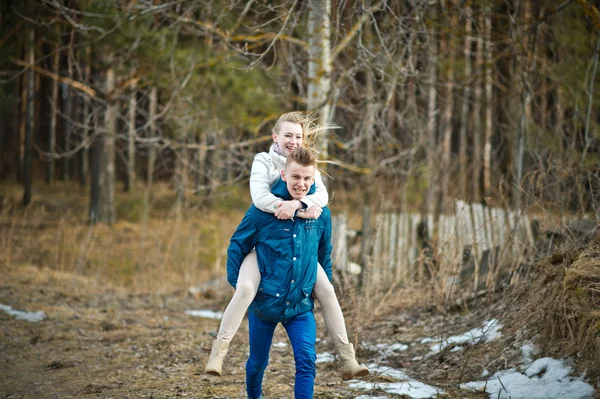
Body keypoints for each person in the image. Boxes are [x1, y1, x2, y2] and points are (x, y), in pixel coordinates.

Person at [205, 112, 368, 381]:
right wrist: (289, 208)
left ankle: (348, 357)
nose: (293, 141)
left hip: (298, 246)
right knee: (246, 289)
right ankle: (218, 352)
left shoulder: (306, 165)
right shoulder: (264, 161)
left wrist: (300, 204)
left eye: (298, 136)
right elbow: (258, 198)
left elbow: (322, 197)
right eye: (288, 135)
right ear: (275, 137)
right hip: (264, 246)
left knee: (327, 288)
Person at [227, 148, 330, 399]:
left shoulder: (320, 213)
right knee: (258, 363)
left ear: (314, 179)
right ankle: (254, 395)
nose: (301, 184)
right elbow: (237, 246)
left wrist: (319, 288)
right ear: (283, 174)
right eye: (296, 177)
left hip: (300, 305)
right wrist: (241, 287)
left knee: (307, 362)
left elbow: (324, 252)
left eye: (307, 178)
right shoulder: (261, 211)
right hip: (265, 305)